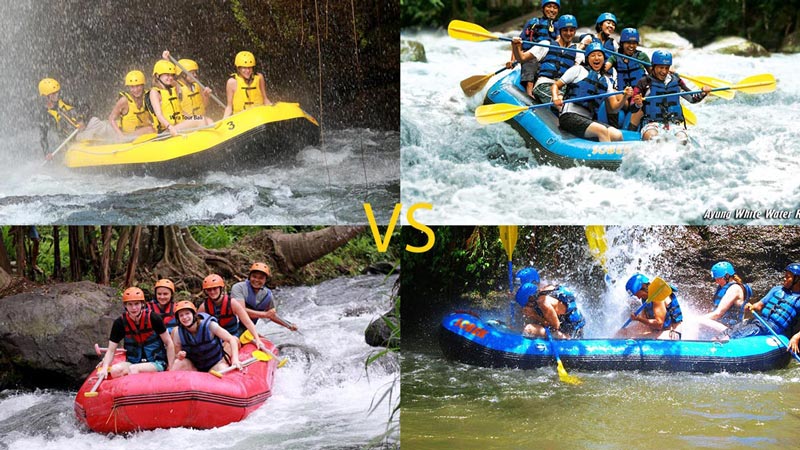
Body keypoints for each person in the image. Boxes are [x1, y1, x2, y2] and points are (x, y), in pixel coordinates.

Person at [552, 42, 632, 142]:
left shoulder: (606, 81)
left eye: (599, 55)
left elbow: (613, 109)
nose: (596, 58)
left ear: (604, 59)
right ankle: (606, 157)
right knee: (602, 130)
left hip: (588, 119)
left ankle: (614, 156)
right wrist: (555, 97)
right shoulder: (578, 70)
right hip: (569, 116)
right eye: (593, 55)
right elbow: (556, 85)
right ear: (587, 59)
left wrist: (624, 97)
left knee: (617, 135)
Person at [629, 50, 711, 144]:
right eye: (661, 67)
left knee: (683, 140)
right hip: (651, 124)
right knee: (654, 139)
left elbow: (692, 99)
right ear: (653, 66)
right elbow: (632, 108)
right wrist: (637, 104)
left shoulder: (676, 81)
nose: (664, 71)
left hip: (673, 124)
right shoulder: (644, 82)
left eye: (667, 68)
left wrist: (703, 93)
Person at [98, 287, 175, 379]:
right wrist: (105, 367)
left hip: (157, 362)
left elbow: (169, 342)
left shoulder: (154, 318)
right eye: (130, 304)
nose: (134, 308)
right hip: (133, 362)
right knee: (115, 370)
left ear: (142, 304)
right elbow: (111, 350)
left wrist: (171, 367)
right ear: (125, 306)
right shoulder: (120, 323)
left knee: (133, 369)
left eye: (136, 304)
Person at [511, 14, 582, 104]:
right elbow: (522, 58)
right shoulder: (546, 44)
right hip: (544, 85)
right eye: (565, 30)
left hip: (562, 89)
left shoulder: (578, 52)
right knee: (562, 104)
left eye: (571, 30)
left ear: (575, 31)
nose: (568, 33)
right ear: (560, 31)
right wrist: (515, 46)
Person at [38, 78, 111, 159]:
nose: (56, 95)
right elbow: (43, 136)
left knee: (98, 123)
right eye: (53, 94)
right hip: (73, 136)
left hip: (86, 125)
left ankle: (118, 137)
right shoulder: (44, 114)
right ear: (45, 96)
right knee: (89, 137)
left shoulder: (66, 99)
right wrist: (46, 152)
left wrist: (81, 120)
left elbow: (85, 106)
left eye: (57, 93)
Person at [723, 264, 800, 341]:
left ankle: (726, 342)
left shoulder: (798, 300)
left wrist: (796, 337)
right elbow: (759, 305)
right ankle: (718, 340)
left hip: (773, 328)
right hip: (760, 320)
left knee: (741, 333)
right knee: (733, 329)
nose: (784, 278)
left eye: (788, 277)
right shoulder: (777, 290)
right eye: (785, 276)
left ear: (797, 279)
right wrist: (751, 306)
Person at [197, 273, 270, 352]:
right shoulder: (204, 307)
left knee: (230, 343)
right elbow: (196, 327)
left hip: (233, 335)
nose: (212, 292)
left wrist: (257, 339)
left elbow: (248, 322)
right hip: (216, 338)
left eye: (215, 288)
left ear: (221, 288)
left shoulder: (232, 303)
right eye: (209, 289)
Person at [507, 0, 560, 98]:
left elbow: (560, 41)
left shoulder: (559, 25)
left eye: (555, 7)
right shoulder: (533, 23)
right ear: (543, 8)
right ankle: (529, 92)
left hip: (548, 57)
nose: (552, 10)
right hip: (530, 55)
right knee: (531, 60)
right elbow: (518, 43)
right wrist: (512, 60)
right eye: (549, 6)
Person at [171, 301, 242, 373]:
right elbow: (177, 355)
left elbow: (231, 339)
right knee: (178, 363)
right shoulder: (177, 333)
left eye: (187, 313)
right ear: (178, 319)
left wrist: (235, 359)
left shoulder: (210, 325)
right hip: (195, 368)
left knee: (222, 367)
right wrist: (180, 355)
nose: (185, 317)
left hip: (214, 364)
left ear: (193, 314)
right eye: (181, 315)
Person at [148, 59, 212, 138]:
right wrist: (170, 127)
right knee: (199, 120)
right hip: (167, 130)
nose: (170, 77)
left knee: (208, 120)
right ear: (157, 76)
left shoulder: (172, 89)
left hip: (178, 125)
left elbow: (180, 112)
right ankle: (203, 142)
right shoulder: (154, 92)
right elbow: (159, 115)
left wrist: (191, 118)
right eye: (167, 75)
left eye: (171, 75)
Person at [231, 262, 298, 333]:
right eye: (254, 276)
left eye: (261, 278)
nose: (256, 280)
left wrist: (289, 325)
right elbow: (240, 311)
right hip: (231, 326)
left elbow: (272, 315)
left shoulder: (267, 295)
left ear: (265, 280)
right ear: (249, 277)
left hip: (247, 329)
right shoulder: (238, 288)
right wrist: (265, 315)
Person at [618, 273, 683, 339]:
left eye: (636, 294)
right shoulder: (645, 297)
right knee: (623, 333)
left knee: (637, 338)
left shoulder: (657, 295)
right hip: (658, 330)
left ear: (642, 287)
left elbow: (659, 324)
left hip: (672, 332)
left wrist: (638, 319)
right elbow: (643, 324)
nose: (638, 297)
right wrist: (626, 331)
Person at [516, 279, 585, 339]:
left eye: (526, 305)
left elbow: (555, 327)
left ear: (531, 299)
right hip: (573, 321)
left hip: (572, 330)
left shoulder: (543, 303)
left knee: (529, 328)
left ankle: (566, 338)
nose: (527, 307)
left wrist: (534, 315)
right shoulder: (545, 289)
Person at [108, 70, 156, 141]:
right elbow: (111, 118)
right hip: (129, 136)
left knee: (152, 128)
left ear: (143, 85)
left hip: (144, 134)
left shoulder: (148, 96)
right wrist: (120, 135)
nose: (135, 90)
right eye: (132, 87)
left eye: (138, 86)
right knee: (150, 129)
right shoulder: (124, 101)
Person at [223, 51, 273, 118]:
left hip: (258, 115)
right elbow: (229, 107)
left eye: (250, 67)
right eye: (244, 68)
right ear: (238, 68)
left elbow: (265, 99)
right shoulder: (231, 82)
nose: (247, 71)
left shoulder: (259, 77)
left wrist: (272, 109)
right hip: (241, 117)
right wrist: (224, 120)